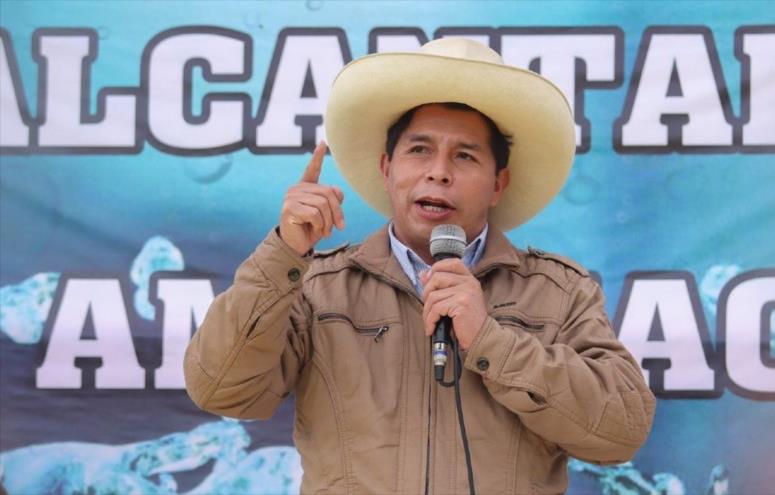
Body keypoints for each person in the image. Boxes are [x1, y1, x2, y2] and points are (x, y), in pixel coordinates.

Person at [184, 38, 655, 494]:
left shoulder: (559, 291)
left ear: (498, 183)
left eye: (464, 155)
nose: (439, 172)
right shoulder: (317, 287)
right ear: (386, 168)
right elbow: (220, 388)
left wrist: (491, 341)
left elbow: (622, 430)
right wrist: (284, 253)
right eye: (419, 150)